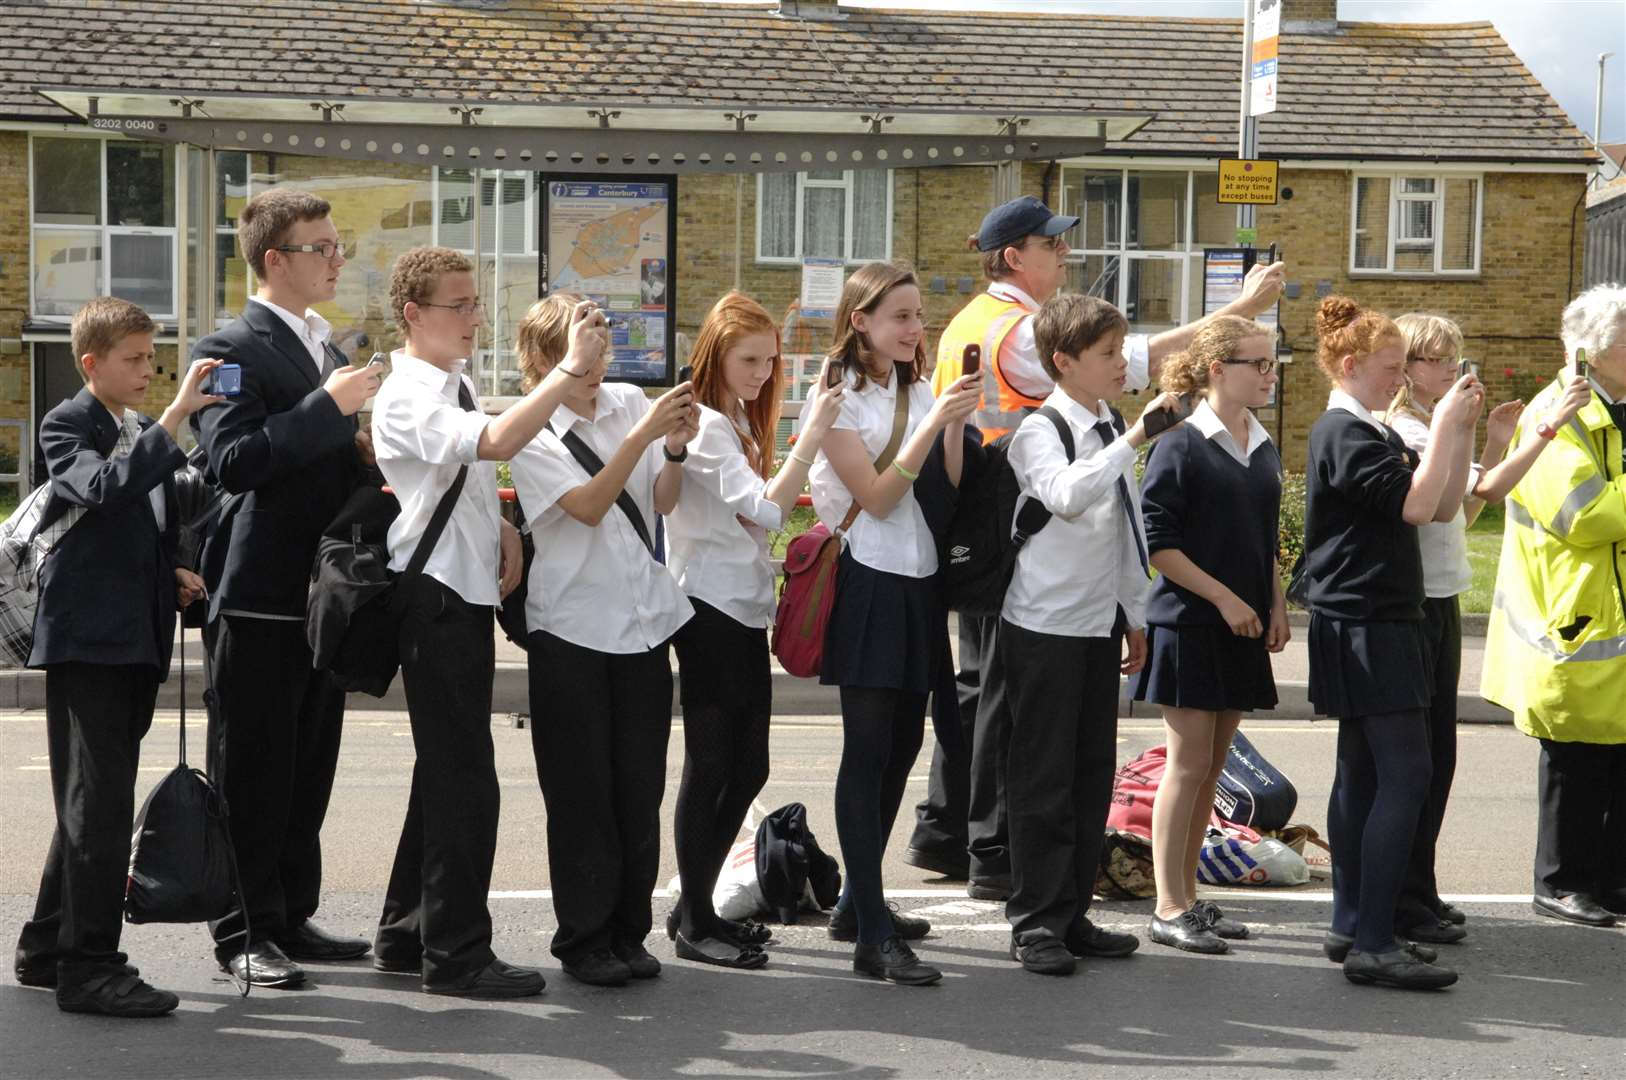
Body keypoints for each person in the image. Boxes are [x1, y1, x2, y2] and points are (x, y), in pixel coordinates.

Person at [909, 194, 1287, 900]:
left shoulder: (984, 322)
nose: (1064, 255)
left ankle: (965, 838)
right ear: (1013, 256)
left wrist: (1131, 608)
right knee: (1023, 738)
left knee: (1008, 719)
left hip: (1030, 555)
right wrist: (1234, 313)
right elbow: (1089, 465)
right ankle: (1001, 861)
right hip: (1028, 558)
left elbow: (1122, 522)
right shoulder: (1018, 333)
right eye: (1051, 246)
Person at [368, 248, 609, 997]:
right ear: (414, 315)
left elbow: (470, 470)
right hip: (434, 599)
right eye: (459, 305)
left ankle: (408, 933)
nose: (475, 317)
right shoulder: (407, 391)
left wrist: (500, 520)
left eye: (476, 303)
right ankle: (457, 955)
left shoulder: (453, 381)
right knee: (464, 781)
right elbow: (498, 442)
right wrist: (568, 370)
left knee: (444, 774)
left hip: (460, 590)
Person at [191, 188, 383, 988]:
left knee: (309, 763)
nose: (337, 258)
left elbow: (325, 460)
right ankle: (242, 927)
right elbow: (231, 461)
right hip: (261, 592)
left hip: (321, 595)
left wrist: (368, 448)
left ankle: (289, 913)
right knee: (253, 767)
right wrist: (325, 408)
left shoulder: (329, 350)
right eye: (322, 247)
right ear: (276, 259)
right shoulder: (230, 346)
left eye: (337, 246)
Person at [14, 297, 222, 1016]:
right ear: (90, 363)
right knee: (98, 808)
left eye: (151, 357)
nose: (148, 371)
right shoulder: (68, 423)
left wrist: (172, 573)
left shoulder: (134, 429)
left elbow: (136, 528)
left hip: (132, 641)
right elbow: (101, 490)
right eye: (134, 360)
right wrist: (171, 424)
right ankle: (90, 966)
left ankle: (47, 947)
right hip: (89, 644)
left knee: (90, 806)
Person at [508, 293, 700, 987]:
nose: (596, 364)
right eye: (580, 349)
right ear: (543, 358)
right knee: (581, 793)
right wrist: (644, 436)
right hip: (571, 628)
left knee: (638, 789)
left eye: (600, 345)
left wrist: (672, 446)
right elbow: (587, 507)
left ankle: (628, 930)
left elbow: (663, 501)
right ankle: (584, 939)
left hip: (644, 620)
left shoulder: (625, 402)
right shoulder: (528, 428)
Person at [998, 292, 1182, 976]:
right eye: (1108, 354)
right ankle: (1034, 922)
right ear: (1063, 361)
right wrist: (1137, 437)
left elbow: (1124, 527)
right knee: (1041, 778)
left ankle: (1072, 913)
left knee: (1086, 776)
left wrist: (1135, 614)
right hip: (1043, 625)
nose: (1120, 363)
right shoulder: (1040, 430)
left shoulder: (1109, 422)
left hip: (1096, 624)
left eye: (1121, 349)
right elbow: (1068, 497)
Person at [1303, 296, 1482, 991]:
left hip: (1373, 617)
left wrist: (1459, 430)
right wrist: (1439, 423)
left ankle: (1353, 925)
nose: (1399, 377)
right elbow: (1414, 504)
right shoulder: (1343, 431)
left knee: (1365, 773)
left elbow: (1440, 504)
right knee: (1404, 775)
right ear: (1351, 366)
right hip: (1368, 620)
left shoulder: (1368, 429)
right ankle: (1374, 939)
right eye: (1389, 366)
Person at [810, 261, 982, 986]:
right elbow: (877, 498)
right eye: (900, 317)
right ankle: (870, 934)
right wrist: (934, 425)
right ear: (861, 323)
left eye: (917, 315)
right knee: (868, 751)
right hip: (868, 580)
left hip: (919, 584)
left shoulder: (915, 386)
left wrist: (954, 422)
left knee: (905, 746)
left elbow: (946, 489)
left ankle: (859, 899)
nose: (916, 329)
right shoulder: (835, 399)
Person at [664, 292, 844, 969]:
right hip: (706, 607)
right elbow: (768, 511)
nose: (763, 374)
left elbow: (746, 520)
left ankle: (695, 909)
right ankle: (695, 921)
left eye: (770, 361)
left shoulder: (734, 418)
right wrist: (813, 432)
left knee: (745, 766)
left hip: (737, 605)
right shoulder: (706, 423)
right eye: (749, 360)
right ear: (715, 355)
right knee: (712, 766)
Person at [1131, 315, 1287, 955]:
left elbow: (1264, 538)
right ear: (1218, 370)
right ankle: (1167, 905)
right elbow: (1159, 544)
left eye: (1274, 364)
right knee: (1188, 764)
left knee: (1214, 767)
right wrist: (1225, 598)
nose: (1270, 375)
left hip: (1242, 623)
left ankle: (1190, 896)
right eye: (1259, 364)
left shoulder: (1261, 440)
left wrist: (1274, 602)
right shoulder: (1181, 443)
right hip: (1191, 622)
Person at [1482, 283, 1626, 929]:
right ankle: (1561, 883)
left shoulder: (1613, 405)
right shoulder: (1558, 412)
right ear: (1596, 351)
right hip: (1572, 621)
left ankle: (1610, 882)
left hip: (1606, 621)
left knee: (1617, 760)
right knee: (1575, 760)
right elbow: (1586, 517)